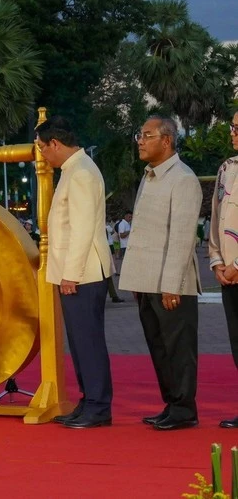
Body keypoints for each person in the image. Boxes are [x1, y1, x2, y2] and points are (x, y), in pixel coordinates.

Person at [119, 116, 202, 431]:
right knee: (158, 345)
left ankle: (184, 409)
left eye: (146, 135)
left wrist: (171, 287)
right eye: (139, 135)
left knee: (178, 348)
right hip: (147, 280)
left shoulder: (182, 178)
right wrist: (138, 281)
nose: (140, 141)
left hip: (172, 284)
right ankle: (171, 404)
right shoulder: (150, 176)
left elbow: (181, 239)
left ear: (166, 140)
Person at [36, 117, 113, 428]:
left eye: (42, 148)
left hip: (83, 273)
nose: (41, 155)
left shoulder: (81, 173)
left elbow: (80, 231)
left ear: (56, 143)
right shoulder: (73, 171)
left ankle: (98, 405)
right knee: (80, 342)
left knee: (88, 341)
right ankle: (88, 400)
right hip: (77, 272)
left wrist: (71, 274)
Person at [207, 111, 238, 429]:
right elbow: (216, 217)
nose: (232, 133)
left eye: (236, 128)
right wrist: (217, 260)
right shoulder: (227, 169)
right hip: (228, 275)